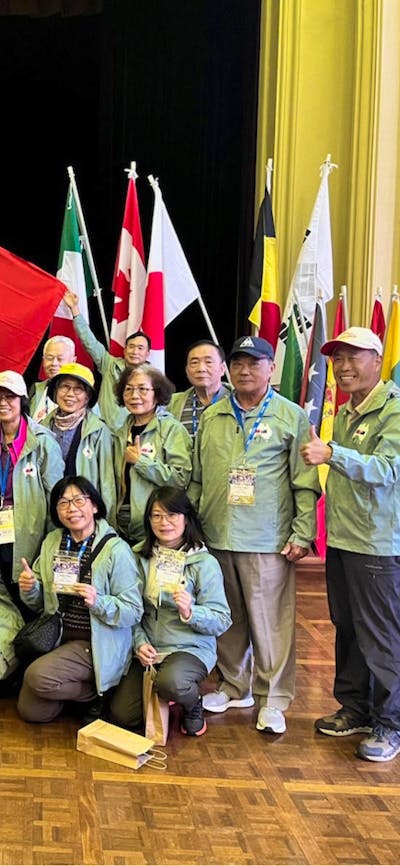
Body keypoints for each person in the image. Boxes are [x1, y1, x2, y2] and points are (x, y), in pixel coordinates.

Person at [190, 336, 320, 733]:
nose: (245, 370)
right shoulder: (213, 415)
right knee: (228, 621)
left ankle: (273, 699)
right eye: (238, 363)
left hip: (267, 539)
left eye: (254, 363)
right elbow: (197, 478)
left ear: (269, 368)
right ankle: (234, 686)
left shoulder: (290, 416)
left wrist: (302, 532)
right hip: (216, 535)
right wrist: (191, 532)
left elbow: (305, 482)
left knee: (270, 624)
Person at [300, 326, 400, 763]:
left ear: (377, 361)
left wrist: (333, 455)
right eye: (337, 358)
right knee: (348, 629)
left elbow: (388, 470)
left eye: (353, 357)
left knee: (381, 636)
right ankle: (356, 709)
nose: (343, 367)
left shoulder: (392, 410)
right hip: (342, 539)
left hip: (378, 545)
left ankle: (391, 725)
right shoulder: (345, 411)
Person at [17, 476, 143, 724]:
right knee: (31, 711)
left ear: (94, 505)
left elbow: (133, 611)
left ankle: (97, 695)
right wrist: (30, 588)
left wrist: (99, 602)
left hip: (95, 641)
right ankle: (81, 691)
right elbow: (39, 603)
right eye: (63, 503)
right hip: (57, 637)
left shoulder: (116, 549)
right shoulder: (52, 541)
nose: (71, 508)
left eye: (78, 500)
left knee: (37, 677)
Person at [110, 486, 231, 737]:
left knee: (172, 682)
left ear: (186, 518)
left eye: (172, 515)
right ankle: (165, 690)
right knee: (123, 715)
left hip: (190, 648)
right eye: (156, 516)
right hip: (148, 651)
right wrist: (139, 643)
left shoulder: (204, 563)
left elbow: (222, 619)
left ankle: (192, 702)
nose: (164, 523)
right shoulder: (137, 556)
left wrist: (191, 611)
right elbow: (130, 609)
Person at [0, 370, 64, 613]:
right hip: (1, 525)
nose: (3, 403)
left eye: (10, 397)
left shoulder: (42, 440)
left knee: (24, 587)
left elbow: (55, 494)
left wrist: (51, 538)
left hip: (29, 530)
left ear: (22, 400)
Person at [114, 364, 192, 544]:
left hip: (158, 523)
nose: (134, 396)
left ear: (157, 394)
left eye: (142, 389)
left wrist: (141, 462)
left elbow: (180, 479)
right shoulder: (119, 432)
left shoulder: (171, 429)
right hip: (121, 522)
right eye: (129, 389)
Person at [63, 289, 151, 431]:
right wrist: (74, 309)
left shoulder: (153, 378)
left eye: (140, 348)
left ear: (148, 353)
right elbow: (89, 341)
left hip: (136, 433)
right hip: (103, 433)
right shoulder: (109, 364)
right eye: (131, 347)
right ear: (125, 350)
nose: (135, 351)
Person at [41, 363, 117, 526]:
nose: (70, 394)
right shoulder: (40, 428)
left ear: (88, 396)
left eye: (78, 389)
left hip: (85, 518)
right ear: (55, 392)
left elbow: (107, 483)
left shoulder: (98, 431)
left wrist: (106, 526)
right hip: (49, 516)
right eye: (65, 387)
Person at [168, 340, 231, 442]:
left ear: (222, 368)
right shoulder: (171, 404)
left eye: (208, 362)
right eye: (194, 363)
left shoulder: (237, 401)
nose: (201, 369)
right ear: (187, 371)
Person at [29, 336, 76, 421]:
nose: (54, 363)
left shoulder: (82, 395)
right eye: (49, 358)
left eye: (60, 359)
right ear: (43, 360)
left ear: (73, 361)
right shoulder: (35, 389)